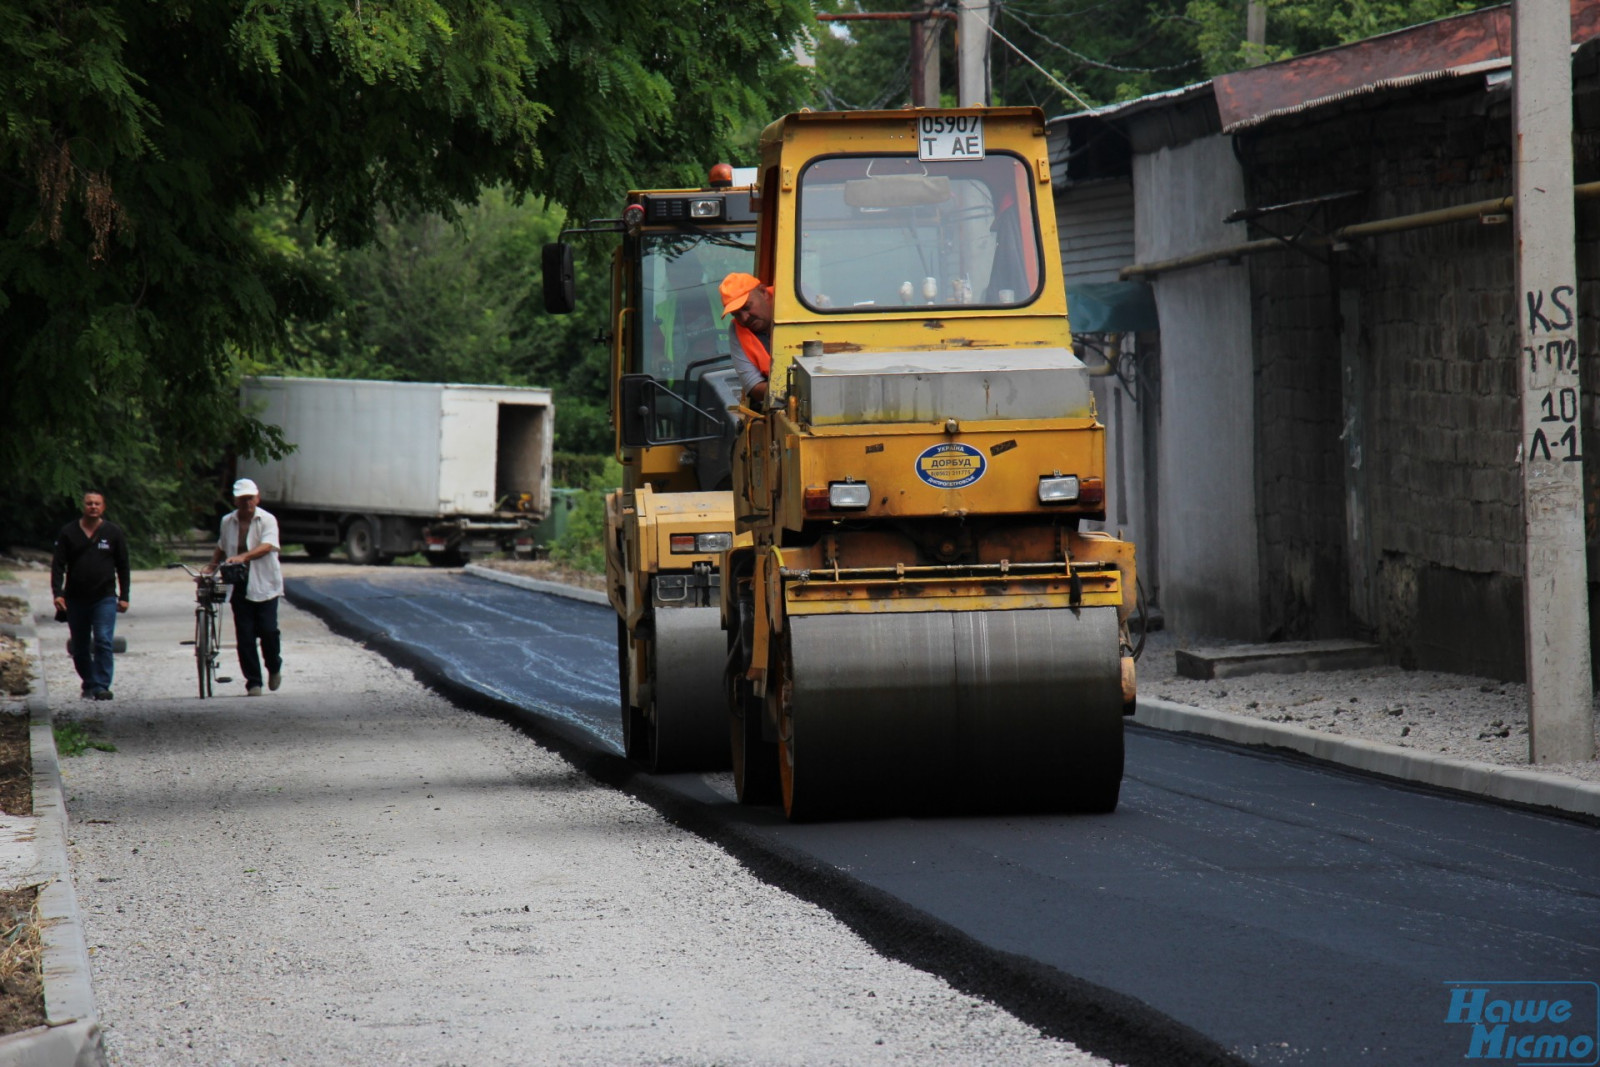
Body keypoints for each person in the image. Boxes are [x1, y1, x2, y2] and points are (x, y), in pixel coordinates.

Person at [205, 478, 284, 697]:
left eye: (250, 498)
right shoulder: (227, 521)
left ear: (257, 498)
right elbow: (222, 546)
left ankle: (274, 666)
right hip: (238, 583)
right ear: (235, 500)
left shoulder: (267, 520)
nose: (247, 503)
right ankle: (253, 682)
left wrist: (243, 556)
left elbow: (268, 546)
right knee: (245, 635)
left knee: (268, 630)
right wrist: (211, 568)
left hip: (265, 582)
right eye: (242, 499)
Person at [51, 490, 130, 700]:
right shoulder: (69, 532)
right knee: (80, 646)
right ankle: (90, 681)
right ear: (82, 506)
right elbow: (58, 565)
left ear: (103, 507)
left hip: (104, 597)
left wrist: (124, 596)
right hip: (75, 599)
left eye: (97, 503)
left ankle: (102, 685)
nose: (93, 507)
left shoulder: (113, 532)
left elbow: (123, 566)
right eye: (89, 503)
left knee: (104, 640)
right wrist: (58, 593)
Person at [720, 272, 774, 404]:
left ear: (763, 293)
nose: (744, 318)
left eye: (747, 307)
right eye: (736, 314)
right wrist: (789, 392)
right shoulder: (737, 330)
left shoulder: (798, 300)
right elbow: (753, 385)